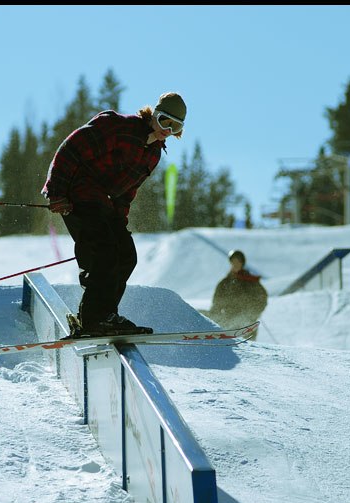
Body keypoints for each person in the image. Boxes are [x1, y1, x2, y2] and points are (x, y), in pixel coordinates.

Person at [41, 92, 187, 337]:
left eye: (176, 126)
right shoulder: (120, 127)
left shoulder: (153, 154)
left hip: (103, 204)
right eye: (164, 121)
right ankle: (93, 319)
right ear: (153, 114)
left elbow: (126, 192)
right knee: (105, 252)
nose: (167, 130)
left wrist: (119, 223)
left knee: (126, 255)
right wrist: (56, 191)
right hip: (79, 193)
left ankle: (104, 315)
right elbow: (71, 148)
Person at [208, 250, 267, 340]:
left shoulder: (251, 281)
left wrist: (253, 314)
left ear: (242, 263)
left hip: (247, 324)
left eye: (238, 262)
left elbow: (262, 298)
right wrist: (214, 318)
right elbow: (217, 302)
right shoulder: (225, 283)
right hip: (228, 320)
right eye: (233, 262)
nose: (235, 264)